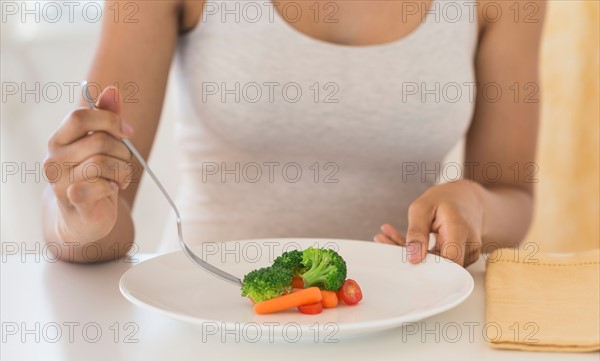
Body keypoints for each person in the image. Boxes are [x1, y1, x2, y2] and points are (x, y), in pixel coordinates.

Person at [42, 0, 545, 266]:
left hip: (401, 326)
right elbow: (95, 209)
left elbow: (512, 196)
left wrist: (475, 206)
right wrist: (78, 221)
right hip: (206, 321)